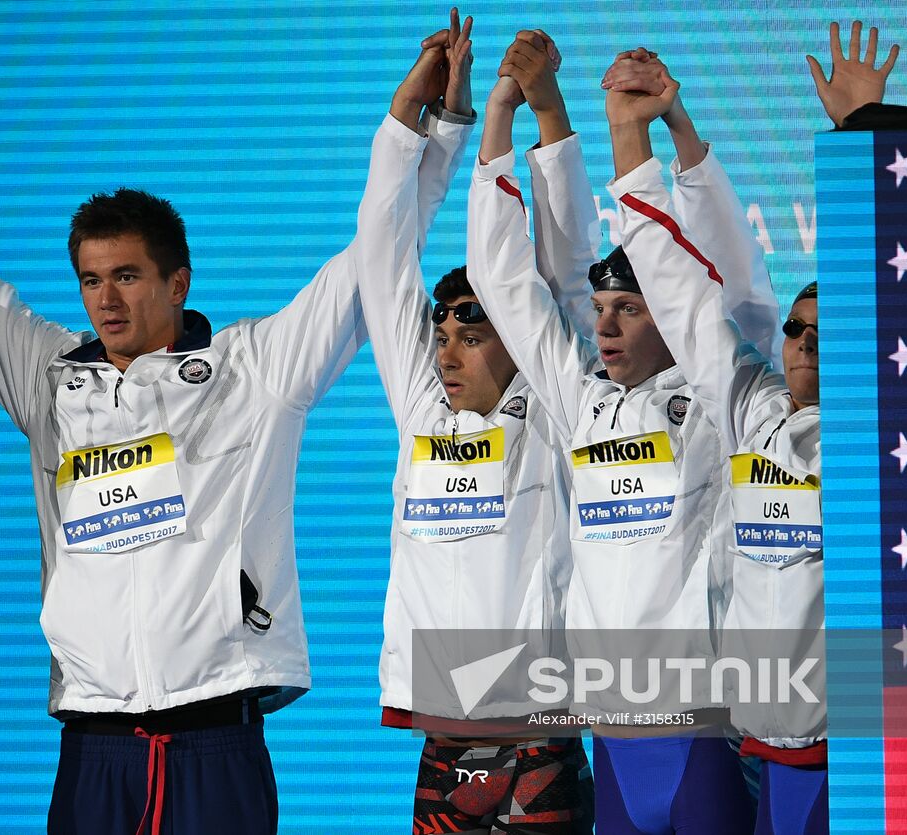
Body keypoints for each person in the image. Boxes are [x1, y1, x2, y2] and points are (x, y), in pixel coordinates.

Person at [0, 26, 470, 835]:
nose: (106, 299)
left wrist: (431, 131)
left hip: (216, 743)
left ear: (177, 280)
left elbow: (374, 253)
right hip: (94, 750)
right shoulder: (48, 377)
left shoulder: (257, 367)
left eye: (127, 276)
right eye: (91, 279)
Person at [469, 40, 782, 835]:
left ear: (670, 319)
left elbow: (731, 284)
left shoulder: (721, 400)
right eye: (600, 311)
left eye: (629, 310)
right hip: (608, 725)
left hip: (702, 725)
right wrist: (506, 112)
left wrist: (669, 127)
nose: (602, 327)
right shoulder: (582, 401)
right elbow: (507, 279)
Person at [599, 22, 894, 830]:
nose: (803, 343)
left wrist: (860, 133)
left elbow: (890, 274)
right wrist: (633, 131)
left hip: (850, 759)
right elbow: (678, 281)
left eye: (827, 333)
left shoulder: (875, 439)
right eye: (797, 329)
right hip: (757, 751)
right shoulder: (749, 403)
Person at [357, 22, 599, 833]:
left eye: (473, 330)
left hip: (540, 738)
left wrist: (542, 110)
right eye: (442, 331)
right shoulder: (423, 413)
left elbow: (567, 275)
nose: (447, 350)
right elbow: (383, 259)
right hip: (442, 739)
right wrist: (412, 123)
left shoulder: (558, 414)